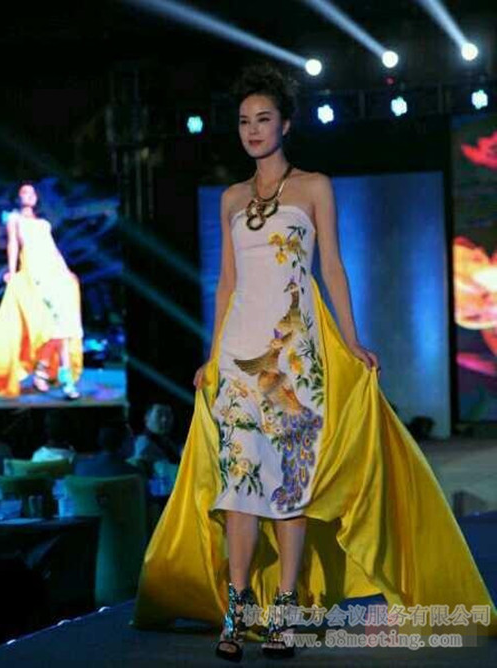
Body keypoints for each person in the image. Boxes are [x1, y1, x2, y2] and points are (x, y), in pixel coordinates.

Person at [131, 63, 497, 658]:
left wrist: (351, 342)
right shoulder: (231, 198)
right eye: (244, 121)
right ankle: (238, 610)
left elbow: (332, 269)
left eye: (263, 119)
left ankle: (287, 609)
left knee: (289, 486)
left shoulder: (314, 187)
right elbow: (227, 284)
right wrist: (212, 356)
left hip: (295, 359)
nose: (252, 130)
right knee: (239, 488)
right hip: (239, 358)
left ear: (286, 124)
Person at [0, 183, 83, 400]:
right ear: (18, 197)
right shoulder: (14, 218)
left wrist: (66, 271)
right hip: (34, 274)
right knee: (48, 326)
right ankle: (55, 376)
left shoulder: (43, 223)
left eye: (32, 192)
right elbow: (13, 244)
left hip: (54, 273)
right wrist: (12, 271)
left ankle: (53, 375)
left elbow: (53, 249)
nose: (29, 195)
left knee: (63, 326)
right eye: (24, 192)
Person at [74, 422, 143, 478]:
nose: (135, 441)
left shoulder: (80, 468)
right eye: (131, 438)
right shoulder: (135, 474)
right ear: (122, 444)